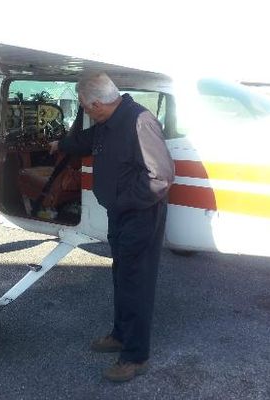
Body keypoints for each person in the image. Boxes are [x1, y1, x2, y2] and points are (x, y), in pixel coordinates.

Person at [49, 72, 174, 382]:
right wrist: (60, 144)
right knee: (122, 278)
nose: (85, 112)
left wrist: (123, 201)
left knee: (136, 284)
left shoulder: (140, 122)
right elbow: (86, 140)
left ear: (97, 104)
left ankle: (135, 357)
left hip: (139, 215)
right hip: (121, 214)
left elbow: (160, 177)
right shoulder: (109, 122)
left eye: (84, 107)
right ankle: (120, 335)